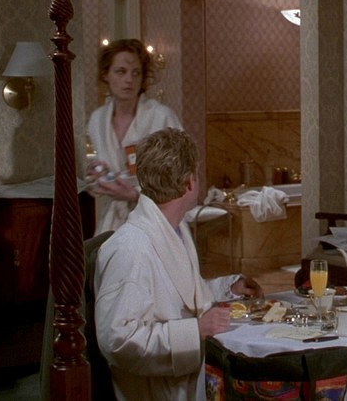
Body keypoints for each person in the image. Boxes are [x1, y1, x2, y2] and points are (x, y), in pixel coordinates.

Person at [94, 128, 262, 401]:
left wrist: (228, 288)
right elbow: (118, 340)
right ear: (189, 184)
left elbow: (177, 295)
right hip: (156, 391)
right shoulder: (131, 249)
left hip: (187, 377)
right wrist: (196, 331)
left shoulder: (174, 227)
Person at [86, 38, 183, 235]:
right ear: (106, 74)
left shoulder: (161, 117)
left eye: (136, 73)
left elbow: (182, 178)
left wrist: (135, 195)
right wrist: (96, 177)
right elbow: (92, 170)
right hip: (114, 223)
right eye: (121, 71)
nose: (129, 79)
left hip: (157, 221)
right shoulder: (98, 120)